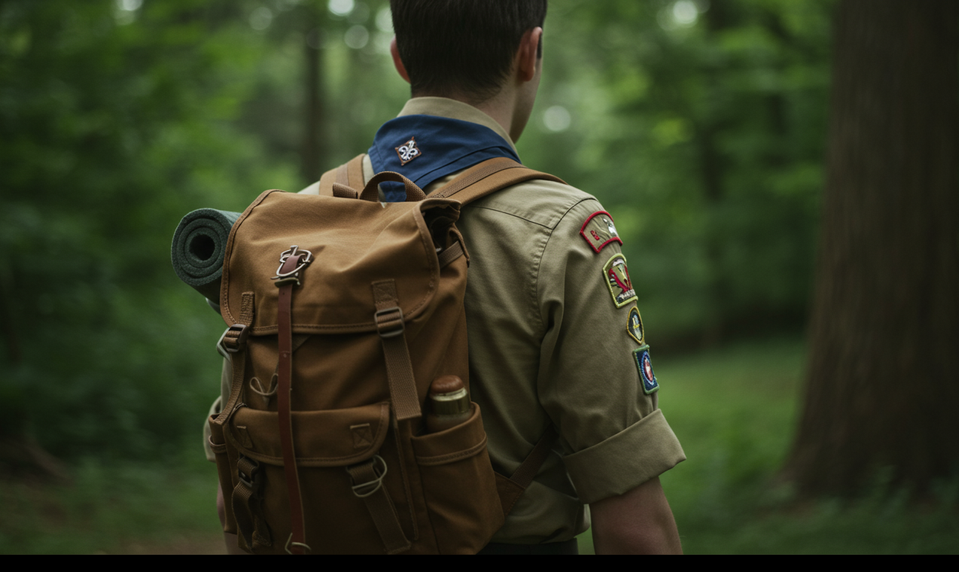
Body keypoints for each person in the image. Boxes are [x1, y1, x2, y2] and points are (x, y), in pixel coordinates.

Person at [206, 0, 685, 555]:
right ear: (530, 53)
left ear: (400, 59)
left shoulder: (290, 225)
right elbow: (633, 527)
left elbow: (234, 492)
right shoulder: (561, 229)